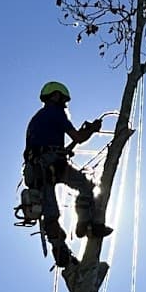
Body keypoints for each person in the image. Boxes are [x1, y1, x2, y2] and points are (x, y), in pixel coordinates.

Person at [24, 81, 113, 268]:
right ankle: (85, 223)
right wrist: (91, 130)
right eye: (63, 99)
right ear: (55, 96)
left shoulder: (36, 119)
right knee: (86, 187)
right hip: (51, 164)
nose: (65, 104)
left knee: (50, 215)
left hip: (37, 169)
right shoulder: (56, 113)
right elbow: (78, 138)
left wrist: (70, 145)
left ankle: (62, 254)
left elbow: (50, 145)